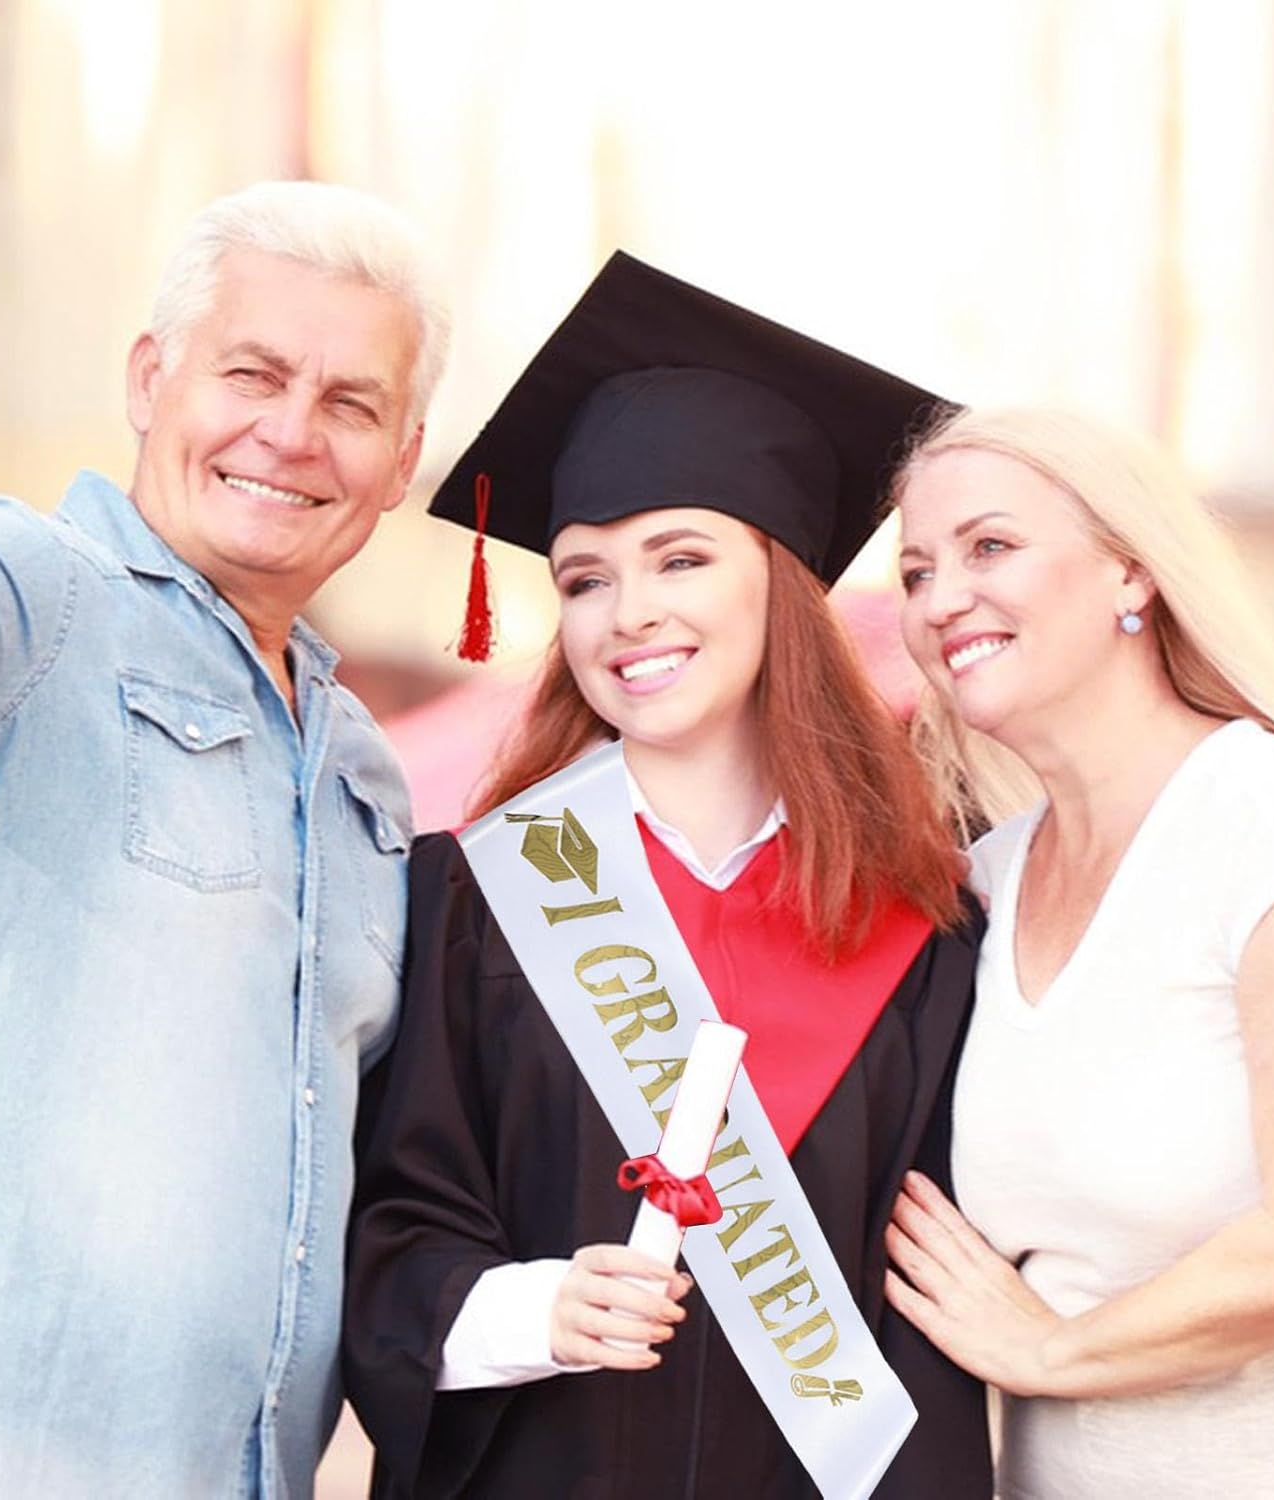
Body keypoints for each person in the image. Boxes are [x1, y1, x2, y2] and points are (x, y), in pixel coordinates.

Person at [343, 253, 994, 1498]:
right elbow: (393, 1228)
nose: (626, 613)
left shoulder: (925, 927)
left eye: (680, 559)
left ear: (781, 583)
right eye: (585, 579)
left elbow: (936, 1298)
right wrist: (530, 1312)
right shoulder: (482, 899)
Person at [0, 180, 450, 1498]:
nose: (292, 433)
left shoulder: (365, 777)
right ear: (151, 379)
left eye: (351, 405)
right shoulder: (24, 594)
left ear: (403, 462)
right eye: (251, 374)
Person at [888, 405, 1274, 1499]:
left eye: (990, 546)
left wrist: (1049, 1354)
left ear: (1130, 572)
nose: (941, 600)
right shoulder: (992, 880)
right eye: (917, 571)